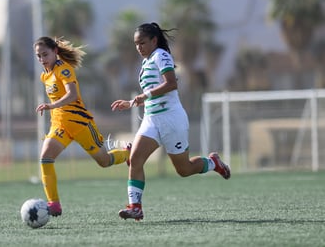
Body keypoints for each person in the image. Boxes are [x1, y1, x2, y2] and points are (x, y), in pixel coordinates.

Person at [111, 22, 231, 221]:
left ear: (154, 40)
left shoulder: (161, 55)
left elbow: (171, 83)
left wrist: (143, 95)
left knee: (183, 169)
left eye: (142, 42)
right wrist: (131, 102)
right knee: (135, 159)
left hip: (171, 119)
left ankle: (213, 163)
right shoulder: (145, 62)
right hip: (152, 120)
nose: (138, 47)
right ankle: (136, 207)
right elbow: (149, 95)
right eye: (135, 44)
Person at [34, 36, 131, 217]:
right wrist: (54, 113)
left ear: (55, 51)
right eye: (38, 56)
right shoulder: (44, 75)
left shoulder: (64, 69)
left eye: (45, 54)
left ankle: (127, 153)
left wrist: (51, 106)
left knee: (104, 162)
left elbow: (72, 95)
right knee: (45, 158)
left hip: (80, 123)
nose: (42, 59)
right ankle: (54, 204)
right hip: (60, 125)